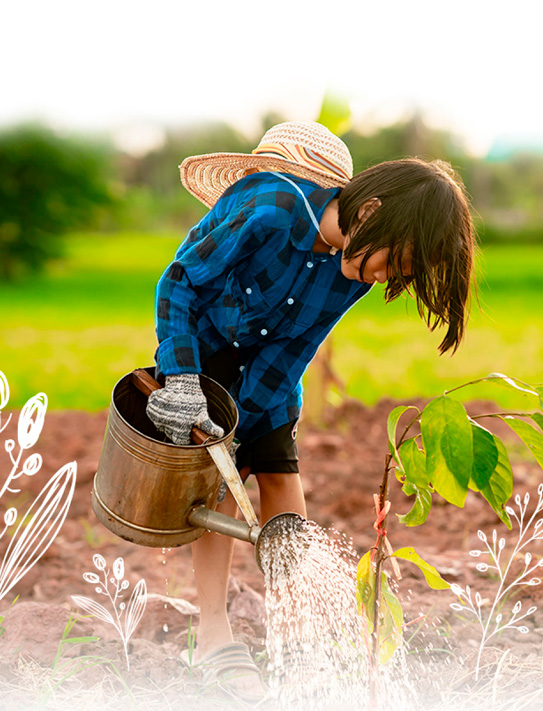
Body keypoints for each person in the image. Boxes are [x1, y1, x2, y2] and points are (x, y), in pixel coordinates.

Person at [145, 121, 476, 700]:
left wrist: (246, 430)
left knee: (283, 495)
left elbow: (293, 350)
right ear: (369, 211)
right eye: (394, 263)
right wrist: (182, 383)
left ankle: (303, 643)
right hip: (202, 358)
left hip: (272, 378)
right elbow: (179, 285)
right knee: (219, 490)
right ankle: (215, 632)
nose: (384, 277)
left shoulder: (350, 275)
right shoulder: (268, 208)